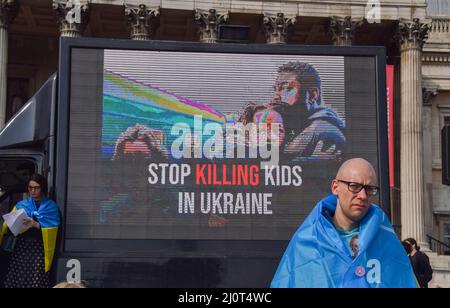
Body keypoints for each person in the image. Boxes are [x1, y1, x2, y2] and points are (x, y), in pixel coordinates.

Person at [270, 158, 417, 288]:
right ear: (335, 187)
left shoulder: (387, 242)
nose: (363, 196)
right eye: (354, 186)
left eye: (370, 189)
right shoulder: (307, 241)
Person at [240, 62, 345, 160]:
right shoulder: (297, 125)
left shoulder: (320, 127)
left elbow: (281, 157)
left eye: (286, 89)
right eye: (275, 89)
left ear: (312, 95)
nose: (276, 96)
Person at [0, 174, 61, 288]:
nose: (33, 191)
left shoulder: (51, 206)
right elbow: (8, 226)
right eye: (30, 187)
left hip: (39, 250)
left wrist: (35, 224)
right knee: (17, 278)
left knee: (36, 279)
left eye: (36, 187)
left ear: (43, 188)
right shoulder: (22, 205)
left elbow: (54, 229)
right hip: (21, 248)